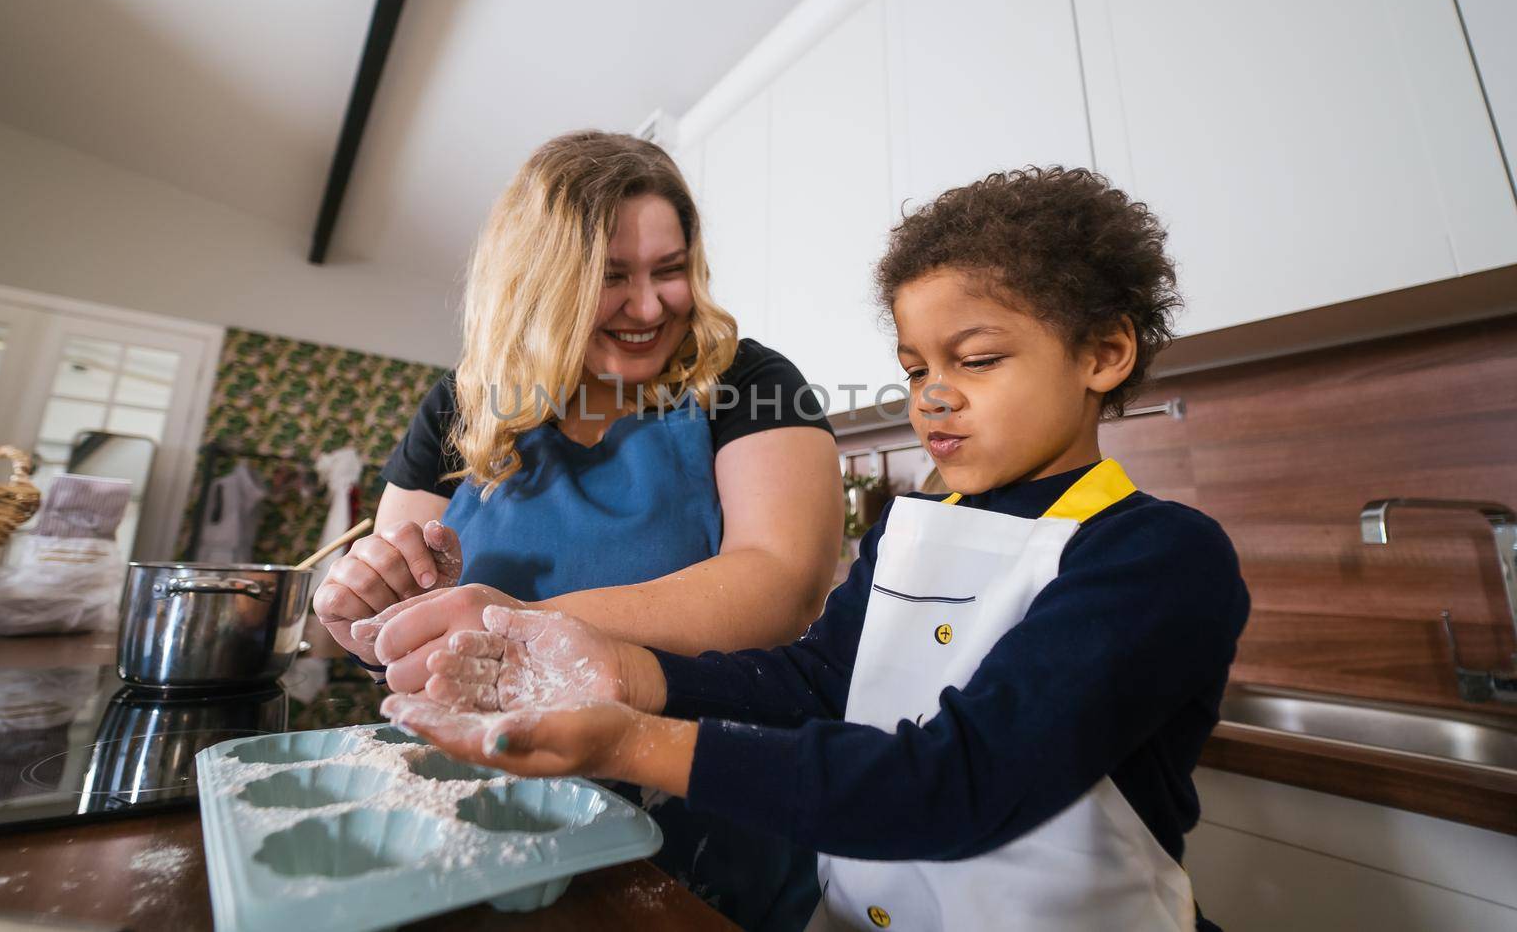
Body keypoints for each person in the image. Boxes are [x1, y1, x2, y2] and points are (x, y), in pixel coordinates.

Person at [386, 167, 1251, 932]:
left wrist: (628, 741)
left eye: (977, 360)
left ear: (1105, 353)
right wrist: (611, 666)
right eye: (914, 370)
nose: (933, 399)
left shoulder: (1156, 555)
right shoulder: (909, 529)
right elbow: (809, 684)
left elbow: (961, 782)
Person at [311, 130, 843, 930]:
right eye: (611, 277)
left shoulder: (749, 382)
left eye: (671, 270)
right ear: (538, 283)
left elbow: (781, 582)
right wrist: (365, 606)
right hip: (485, 813)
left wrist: (525, 626)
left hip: (703, 821)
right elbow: (398, 609)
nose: (651, 304)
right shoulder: (460, 408)